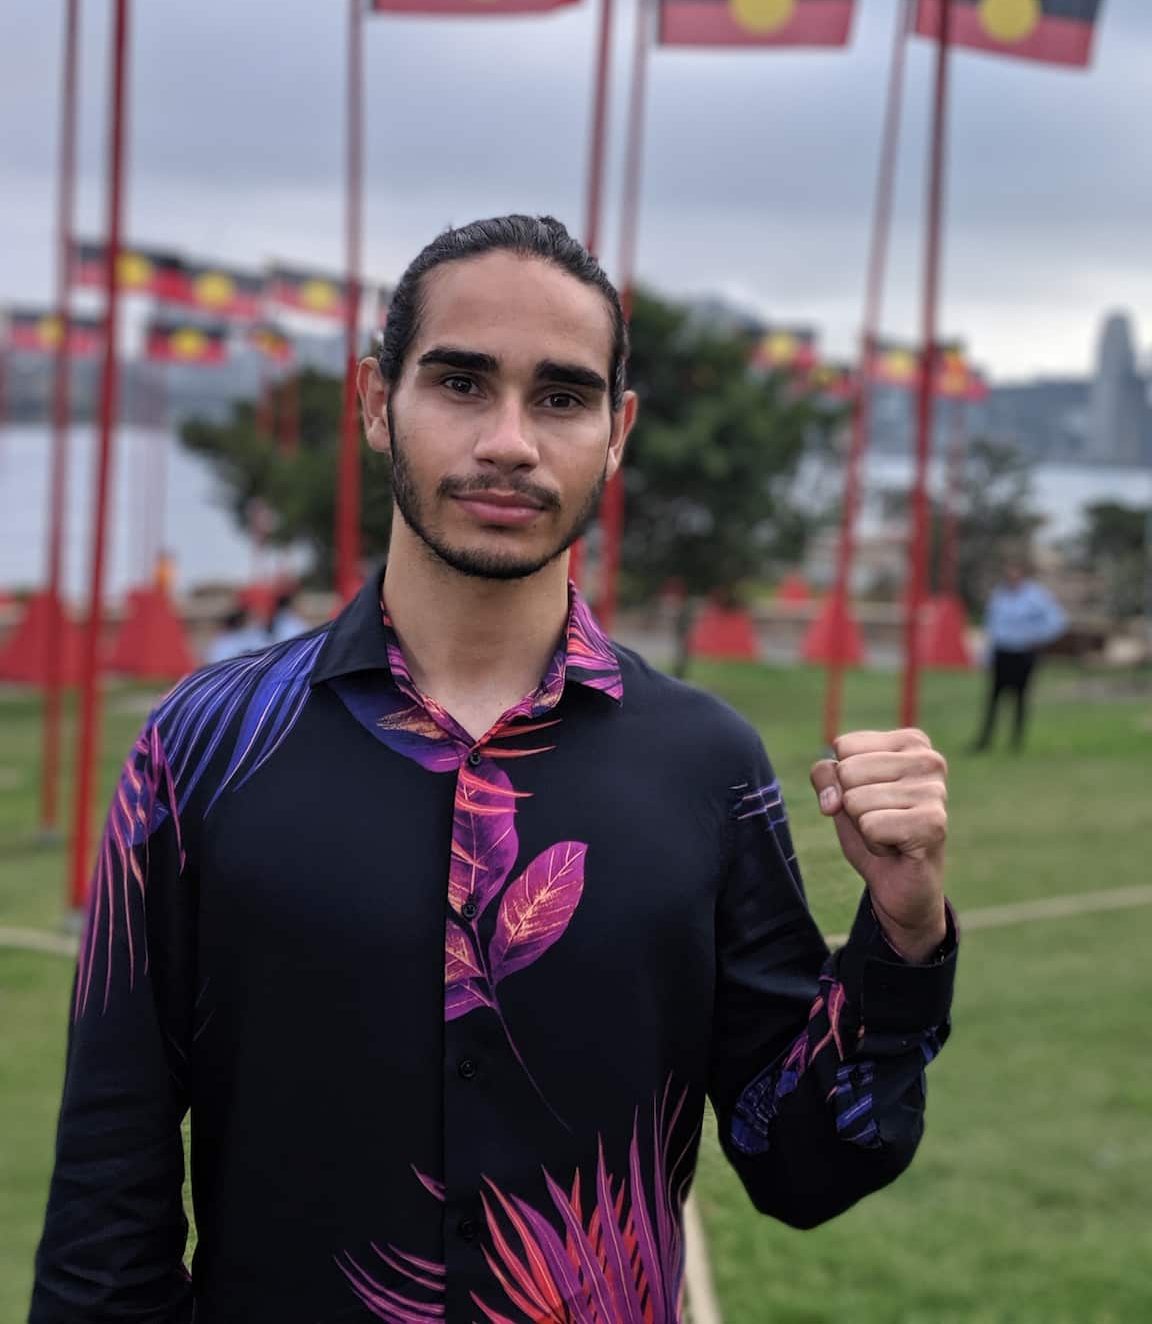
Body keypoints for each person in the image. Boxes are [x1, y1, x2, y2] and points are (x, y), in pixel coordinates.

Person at [32, 215, 957, 1323]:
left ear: (616, 433)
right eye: (462, 383)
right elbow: (108, 1200)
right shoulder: (202, 748)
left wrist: (904, 934)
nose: (510, 441)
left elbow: (802, 1162)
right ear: (376, 400)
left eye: (560, 397)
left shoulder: (707, 766)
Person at [971, 556, 1067, 753]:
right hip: (1002, 652)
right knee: (994, 699)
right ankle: (985, 740)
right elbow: (991, 624)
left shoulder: (1035, 596)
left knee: (1020, 698)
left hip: (1024, 653)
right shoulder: (999, 595)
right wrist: (986, 654)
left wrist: (1037, 636)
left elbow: (1057, 621)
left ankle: (1015, 742)